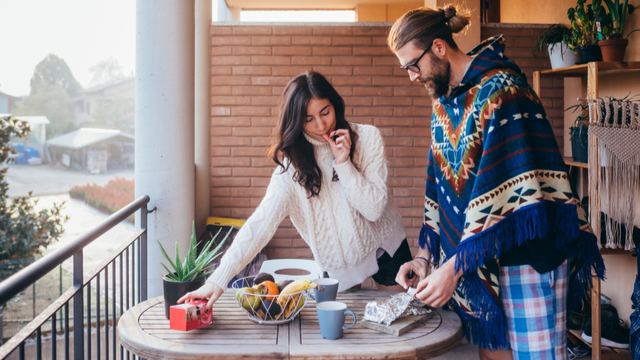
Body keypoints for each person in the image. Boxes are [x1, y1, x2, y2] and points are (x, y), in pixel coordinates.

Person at [387, 5, 605, 360]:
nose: (412, 76)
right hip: (484, 264)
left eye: (413, 65)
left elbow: (515, 194)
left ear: (439, 47)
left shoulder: (503, 92)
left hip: (529, 259)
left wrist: (453, 268)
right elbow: (439, 186)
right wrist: (425, 257)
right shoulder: (444, 105)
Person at [179, 71, 409, 309]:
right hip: (340, 266)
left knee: (401, 324)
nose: (321, 125)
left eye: (325, 112)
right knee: (349, 337)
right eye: (309, 119)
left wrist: (344, 164)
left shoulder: (368, 138)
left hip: (386, 247)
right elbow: (260, 225)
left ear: (335, 105)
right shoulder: (291, 170)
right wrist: (218, 279)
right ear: (296, 121)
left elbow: (373, 209)